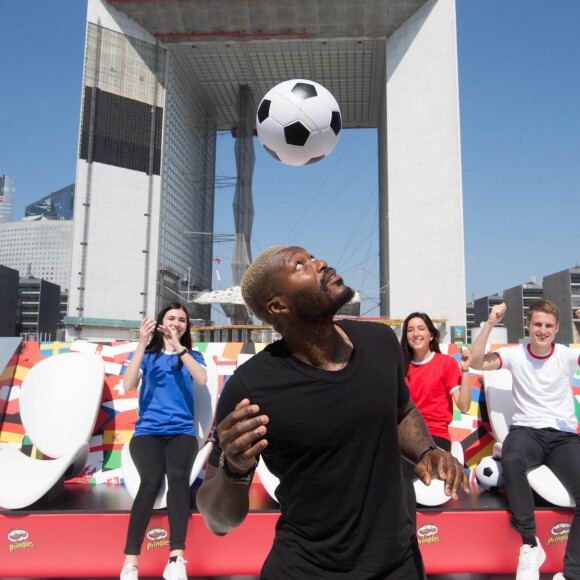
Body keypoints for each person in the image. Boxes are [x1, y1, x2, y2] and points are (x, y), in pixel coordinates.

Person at [196, 245, 469, 580]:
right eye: (300, 265)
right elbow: (218, 521)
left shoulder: (381, 342)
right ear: (279, 305)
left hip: (399, 565)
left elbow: (402, 411)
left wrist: (426, 450)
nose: (320, 263)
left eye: (312, 257)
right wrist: (234, 469)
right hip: (305, 570)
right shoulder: (250, 389)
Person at [470, 300, 580, 580]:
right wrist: (491, 323)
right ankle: (530, 545)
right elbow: (476, 361)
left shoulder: (566, 356)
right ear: (528, 326)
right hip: (526, 432)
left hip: (563, 436)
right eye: (537, 325)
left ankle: (571, 573)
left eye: (548, 326)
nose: (542, 331)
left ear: (556, 330)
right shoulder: (515, 355)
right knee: (512, 457)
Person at [120, 303, 208, 580]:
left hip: (181, 433)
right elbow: (129, 384)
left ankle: (176, 558)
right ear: (161, 322)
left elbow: (202, 379)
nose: (176, 323)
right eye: (171, 318)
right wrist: (142, 342)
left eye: (182, 320)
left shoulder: (192, 355)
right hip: (147, 434)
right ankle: (130, 560)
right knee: (151, 481)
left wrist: (178, 346)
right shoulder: (148, 356)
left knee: (179, 477)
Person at [400, 312, 471, 521]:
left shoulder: (446, 364)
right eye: (410, 330)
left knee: (398, 467)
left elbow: (464, 405)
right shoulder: (400, 367)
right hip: (406, 437)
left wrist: (465, 371)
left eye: (421, 328)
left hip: (434, 438)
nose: (416, 334)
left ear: (431, 334)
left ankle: (407, 536)